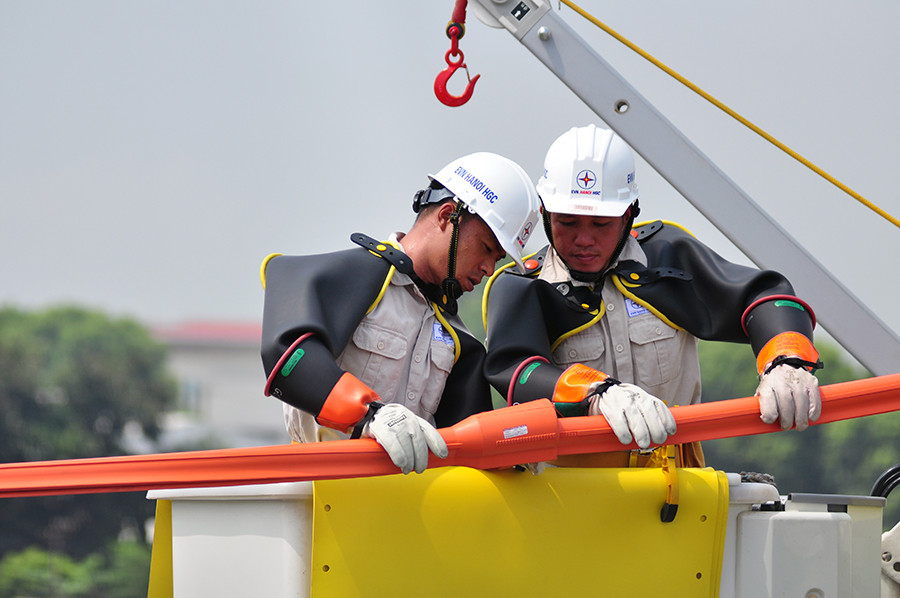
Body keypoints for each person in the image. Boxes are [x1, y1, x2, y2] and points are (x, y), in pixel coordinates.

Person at [483, 125, 822, 468]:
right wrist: (595, 393)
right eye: (568, 222)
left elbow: (764, 297)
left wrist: (786, 360)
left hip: (678, 488)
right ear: (545, 214)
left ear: (629, 214)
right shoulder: (524, 286)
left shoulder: (669, 256)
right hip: (573, 495)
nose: (584, 239)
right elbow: (516, 371)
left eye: (601, 224)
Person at [260, 152, 540, 474]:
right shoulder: (356, 279)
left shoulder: (458, 341)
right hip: (317, 494)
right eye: (487, 249)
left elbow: (462, 446)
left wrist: (508, 451)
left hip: (401, 507)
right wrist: (369, 414)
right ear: (447, 216)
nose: (489, 269)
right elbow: (290, 360)